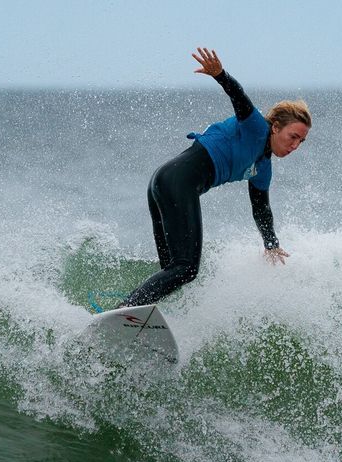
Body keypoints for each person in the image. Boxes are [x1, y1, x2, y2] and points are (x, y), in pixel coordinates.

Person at [120, 47, 311, 308]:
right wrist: (220, 75)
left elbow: (261, 207)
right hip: (177, 184)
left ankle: (135, 313)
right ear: (276, 127)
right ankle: (126, 310)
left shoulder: (263, 167)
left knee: (173, 271)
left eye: (301, 141)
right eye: (293, 137)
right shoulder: (256, 127)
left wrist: (271, 243)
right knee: (186, 267)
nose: (295, 145)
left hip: (164, 183)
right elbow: (239, 98)